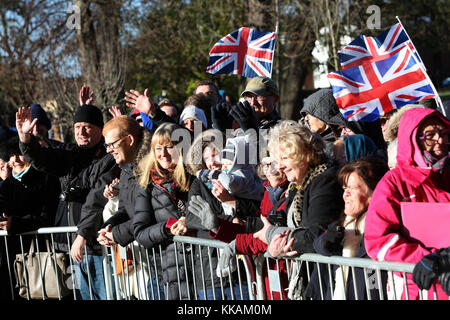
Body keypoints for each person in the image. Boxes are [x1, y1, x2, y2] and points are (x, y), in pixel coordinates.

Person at [15, 103, 117, 300]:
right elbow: (39, 158)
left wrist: (83, 235)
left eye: (87, 126)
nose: (81, 131)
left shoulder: (109, 158)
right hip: (70, 249)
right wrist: (25, 137)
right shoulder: (68, 154)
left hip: (97, 247)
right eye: (77, 126)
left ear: (100, 129)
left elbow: (96, 200)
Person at [364, 107, 450, 300]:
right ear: (413, 138)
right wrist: (423, 258)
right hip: (416, 289)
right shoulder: (394, 182)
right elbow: (377, 239)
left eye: (445, 134)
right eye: (431, 134)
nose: (441, 140)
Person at [252, 121, 344, 299]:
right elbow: (280, 221)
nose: (279, 166)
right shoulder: (299, 185)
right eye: (278, 160)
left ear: (305, 154)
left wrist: (274, 236)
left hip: (328, 280)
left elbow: (317, 235)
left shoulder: (324, 181)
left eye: (285, 158)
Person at [304, 158, 389, 300]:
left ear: (373, 193)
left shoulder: (382, 226)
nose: (346, 194)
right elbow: (318, 246)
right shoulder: (343, 222)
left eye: (353, 188)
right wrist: (326, 241)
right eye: (345, 188)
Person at [133, 122, 193, 300]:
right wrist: (167, 228)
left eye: (169, 147)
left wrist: (190, 222)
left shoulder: (195, 176)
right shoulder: (147, 184)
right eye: (158, 148)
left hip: (200, 267)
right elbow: (140, 233)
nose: (163, 154)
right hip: (167, 271)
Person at [0, 136, 60, 300]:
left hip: (39, 256)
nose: (15, 159)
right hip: (10, 256)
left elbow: (48, 216)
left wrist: (17, 223)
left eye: (19, 154)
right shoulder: (6, 185)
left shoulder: (46, 179)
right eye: (11, 155)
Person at [300, 88, 348, 156]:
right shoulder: (307, 143)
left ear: (324, 115)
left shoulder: (343, 145)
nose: (306, 118)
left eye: (309, 114)